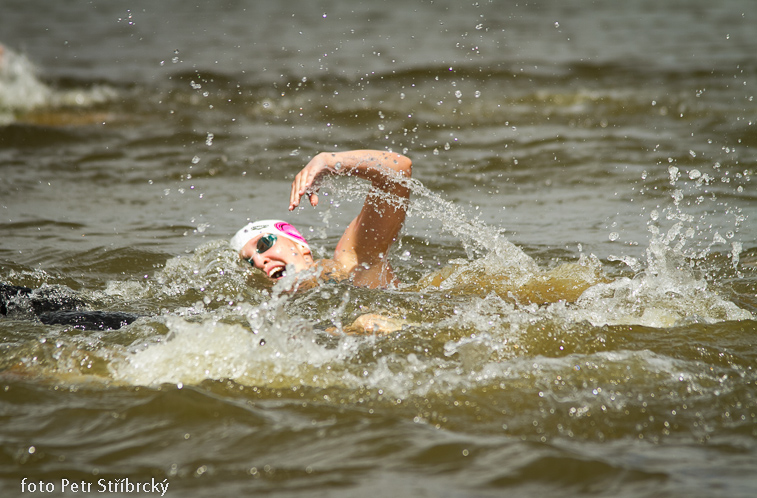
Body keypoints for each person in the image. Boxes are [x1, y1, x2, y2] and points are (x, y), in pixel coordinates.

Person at [230, 149, 412, 289]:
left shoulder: (352, 263)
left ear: (301, 246)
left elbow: (398, 171)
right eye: (250, 262)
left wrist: (329, 161)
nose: (259, 262)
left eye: (263, 245)